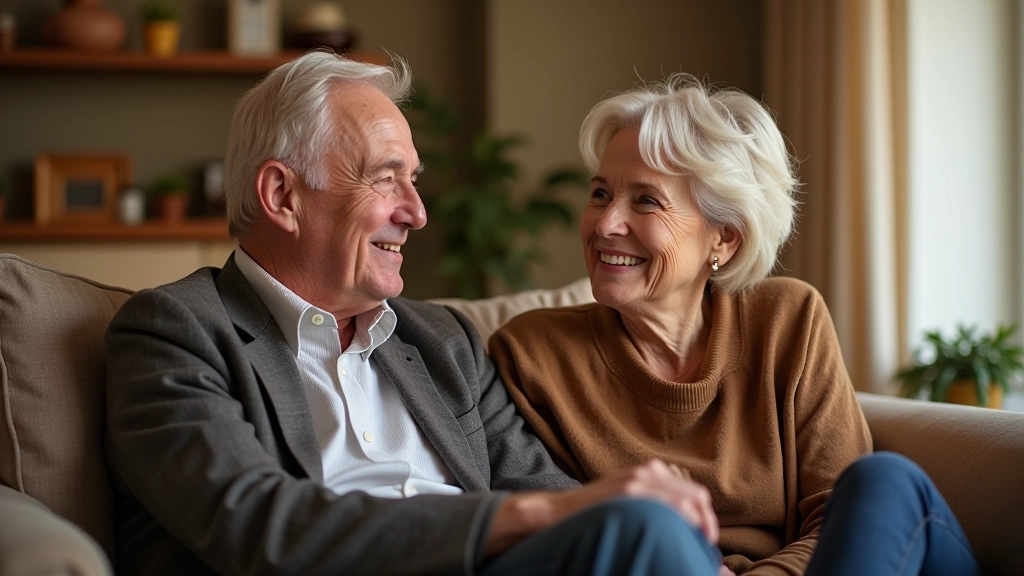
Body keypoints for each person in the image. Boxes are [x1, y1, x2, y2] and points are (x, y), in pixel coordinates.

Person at [103, 52, 732, 576]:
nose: (417, 212)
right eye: (385, 179)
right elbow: (253, 523)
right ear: (281, 196)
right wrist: (540, 519)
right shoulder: (174, 331)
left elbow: (543, 487)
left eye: (415, 180)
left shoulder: (440, 340)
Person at [489, 74, 982, 576]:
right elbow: (570, 537)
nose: (604, 223)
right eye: (599, 193)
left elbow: (835, 517)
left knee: (886, 482)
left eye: (645, 200)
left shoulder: (789, 320)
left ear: (724, 239)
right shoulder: (531, 355)